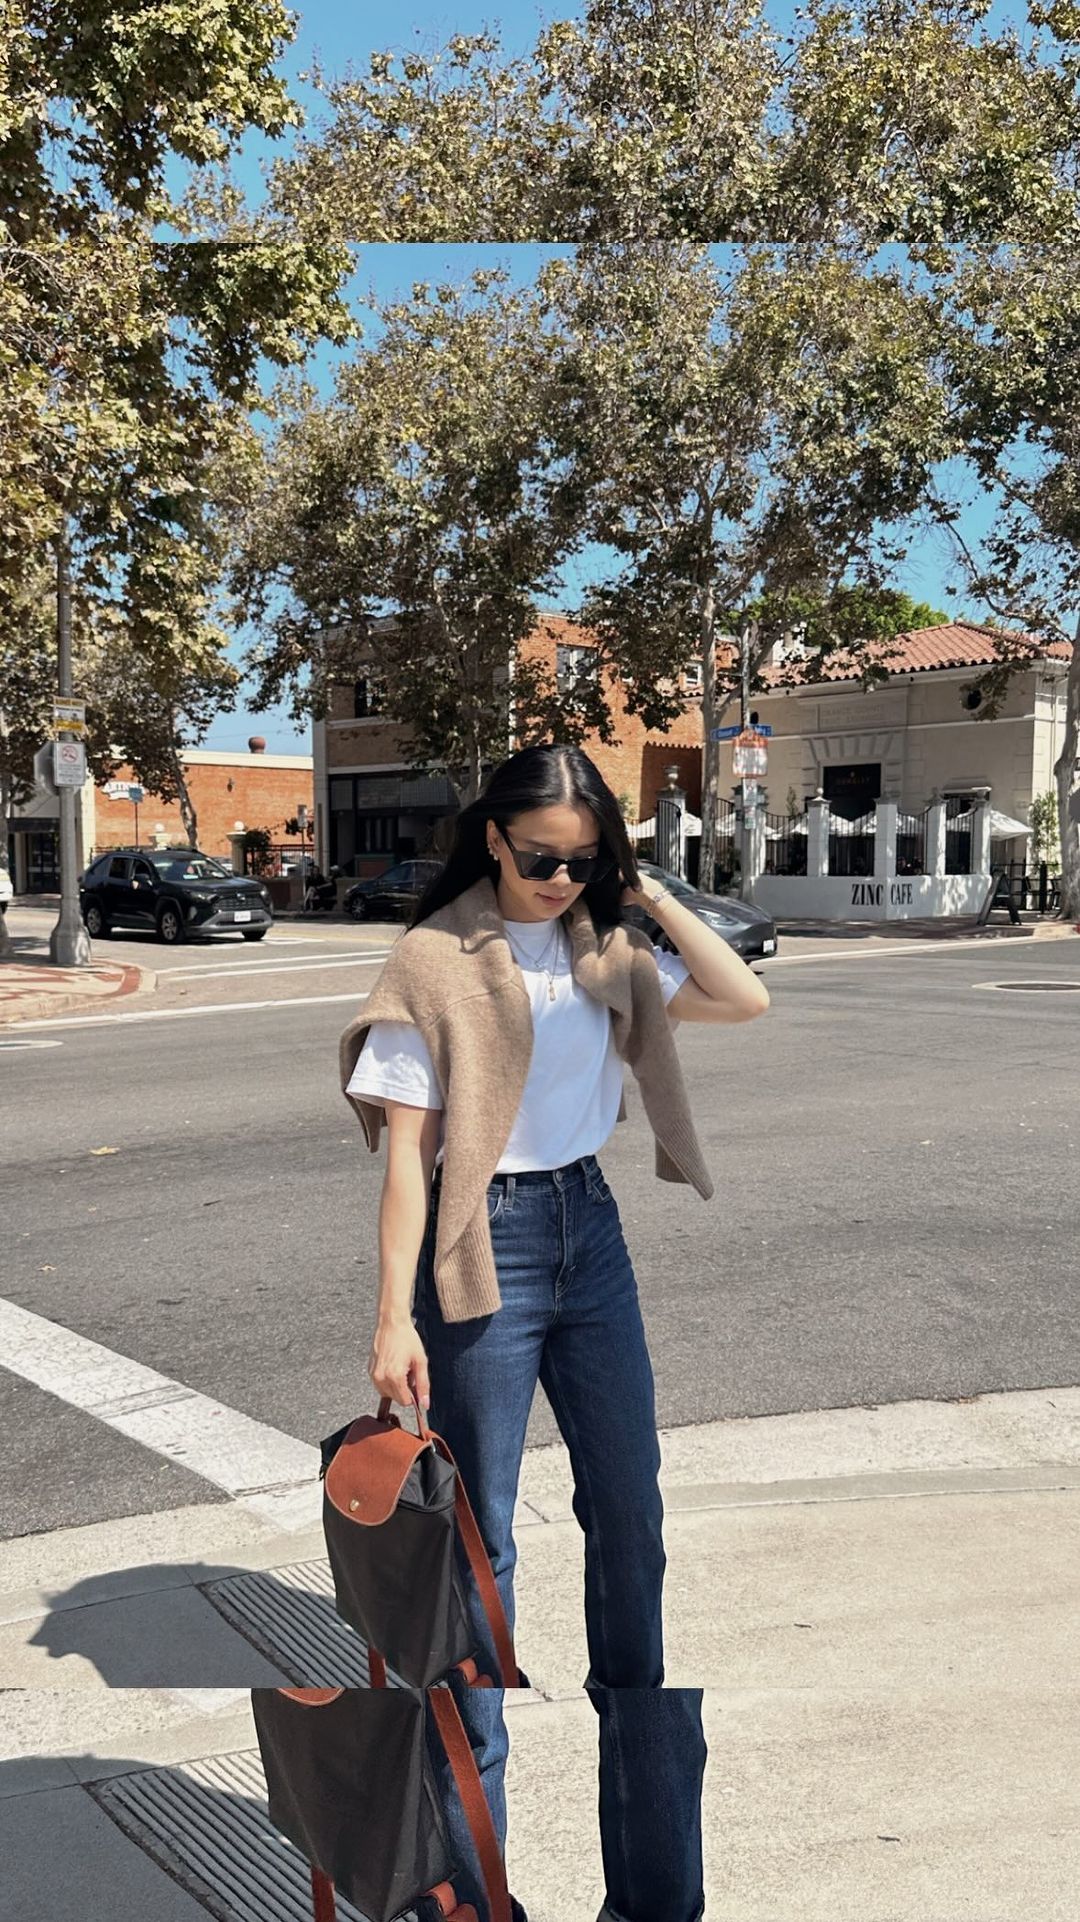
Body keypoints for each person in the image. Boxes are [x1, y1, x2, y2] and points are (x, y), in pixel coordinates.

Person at [339, 743, 770, 1922]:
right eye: (542, 857)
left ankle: (654, 1888)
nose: (562, 878)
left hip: (591, 1230)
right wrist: (391, 1314)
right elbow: (409, 1163)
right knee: (477, 1558)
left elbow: (743, 995)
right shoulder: (433, 960)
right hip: (486, 1245)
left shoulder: (605, 947)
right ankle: (473, 1893)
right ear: (492, 836)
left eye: (585, 860)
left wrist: (652, 890)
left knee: (631, 1517)